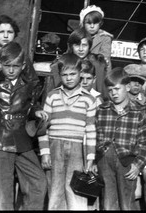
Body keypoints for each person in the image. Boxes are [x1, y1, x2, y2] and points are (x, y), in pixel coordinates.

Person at [0, 42, 47, 210]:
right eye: (7, 66)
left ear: (23, 66)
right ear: (0, 65)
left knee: (39, 182)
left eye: (15, 66)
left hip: (23, 141)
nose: (10, 70)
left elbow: (30, 106)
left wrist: (36, 111)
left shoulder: (28, 86)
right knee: (3, 192)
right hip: (1, 142)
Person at [38, 53, 97, 210]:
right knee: (55, 190)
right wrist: (45, 152)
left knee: (75, 191)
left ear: (80, 73)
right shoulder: (52, 96)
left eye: (73, 74)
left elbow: (90, 130)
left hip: (78, 149)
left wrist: (90, 157)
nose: (69, 78)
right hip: (54, 146)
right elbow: (42, 128)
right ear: (60, 75)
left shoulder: (89, 99)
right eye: (64, 75)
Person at [93, 67, 146, 210]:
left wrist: (138, 165)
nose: (114, 93)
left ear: (128, 87)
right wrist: (94, 160)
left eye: (117, 89)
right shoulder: (101, 110)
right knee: (107, 201)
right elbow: (94, 136)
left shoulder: (138, 112)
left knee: (126, 202)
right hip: (104, 160)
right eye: (110, 90)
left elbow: (145, 143)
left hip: (126, 161)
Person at [0, 14, 38, 88]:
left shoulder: (23, 58)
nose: (5, 36)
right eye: (1, 32)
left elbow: (34, 85)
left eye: (10, 32)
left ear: (15, 34)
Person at [48, 27, 108, 99]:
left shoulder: (97, 64)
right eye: (77, 45)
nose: (81, 49)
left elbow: (103, 92)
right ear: (71, 46)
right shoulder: (61, 63)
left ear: (89, 46)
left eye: (84, 45)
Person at [79, 5, 113, 71]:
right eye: (88, 23)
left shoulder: (104, 38)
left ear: (100, 23)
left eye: (95, 23)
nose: (92, 26)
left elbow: (105, 59)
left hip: (97, 71)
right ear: (83, 23)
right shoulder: (78, 36)